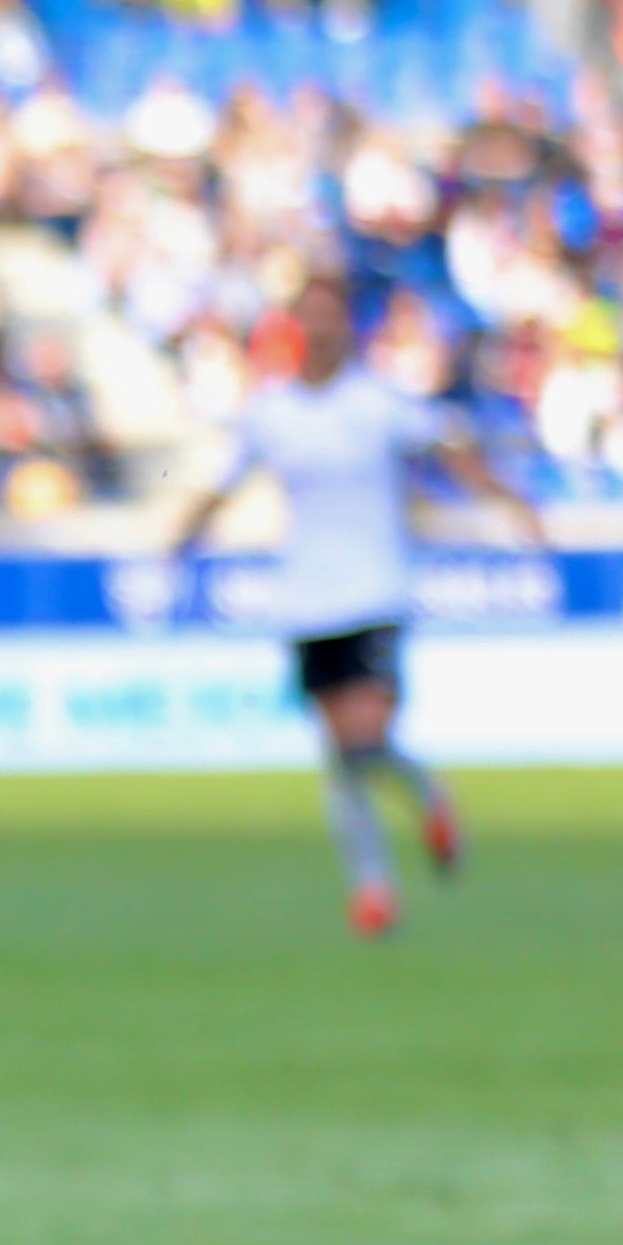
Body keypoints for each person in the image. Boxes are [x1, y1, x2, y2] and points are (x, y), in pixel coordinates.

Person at [168, 290, 542, 937]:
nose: (319, 328)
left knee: (361, 739)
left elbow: (445, 445)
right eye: (308, 317)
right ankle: (373, 887)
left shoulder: (376, 402)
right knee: (339, 751)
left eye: (330, 317)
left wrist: (505, 499)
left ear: (345, 328)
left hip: (374, 591)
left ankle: (426, 800)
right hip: (307, 601)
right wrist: (179, 538)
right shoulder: (270, 413)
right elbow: (223, 481)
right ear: (293, 329)